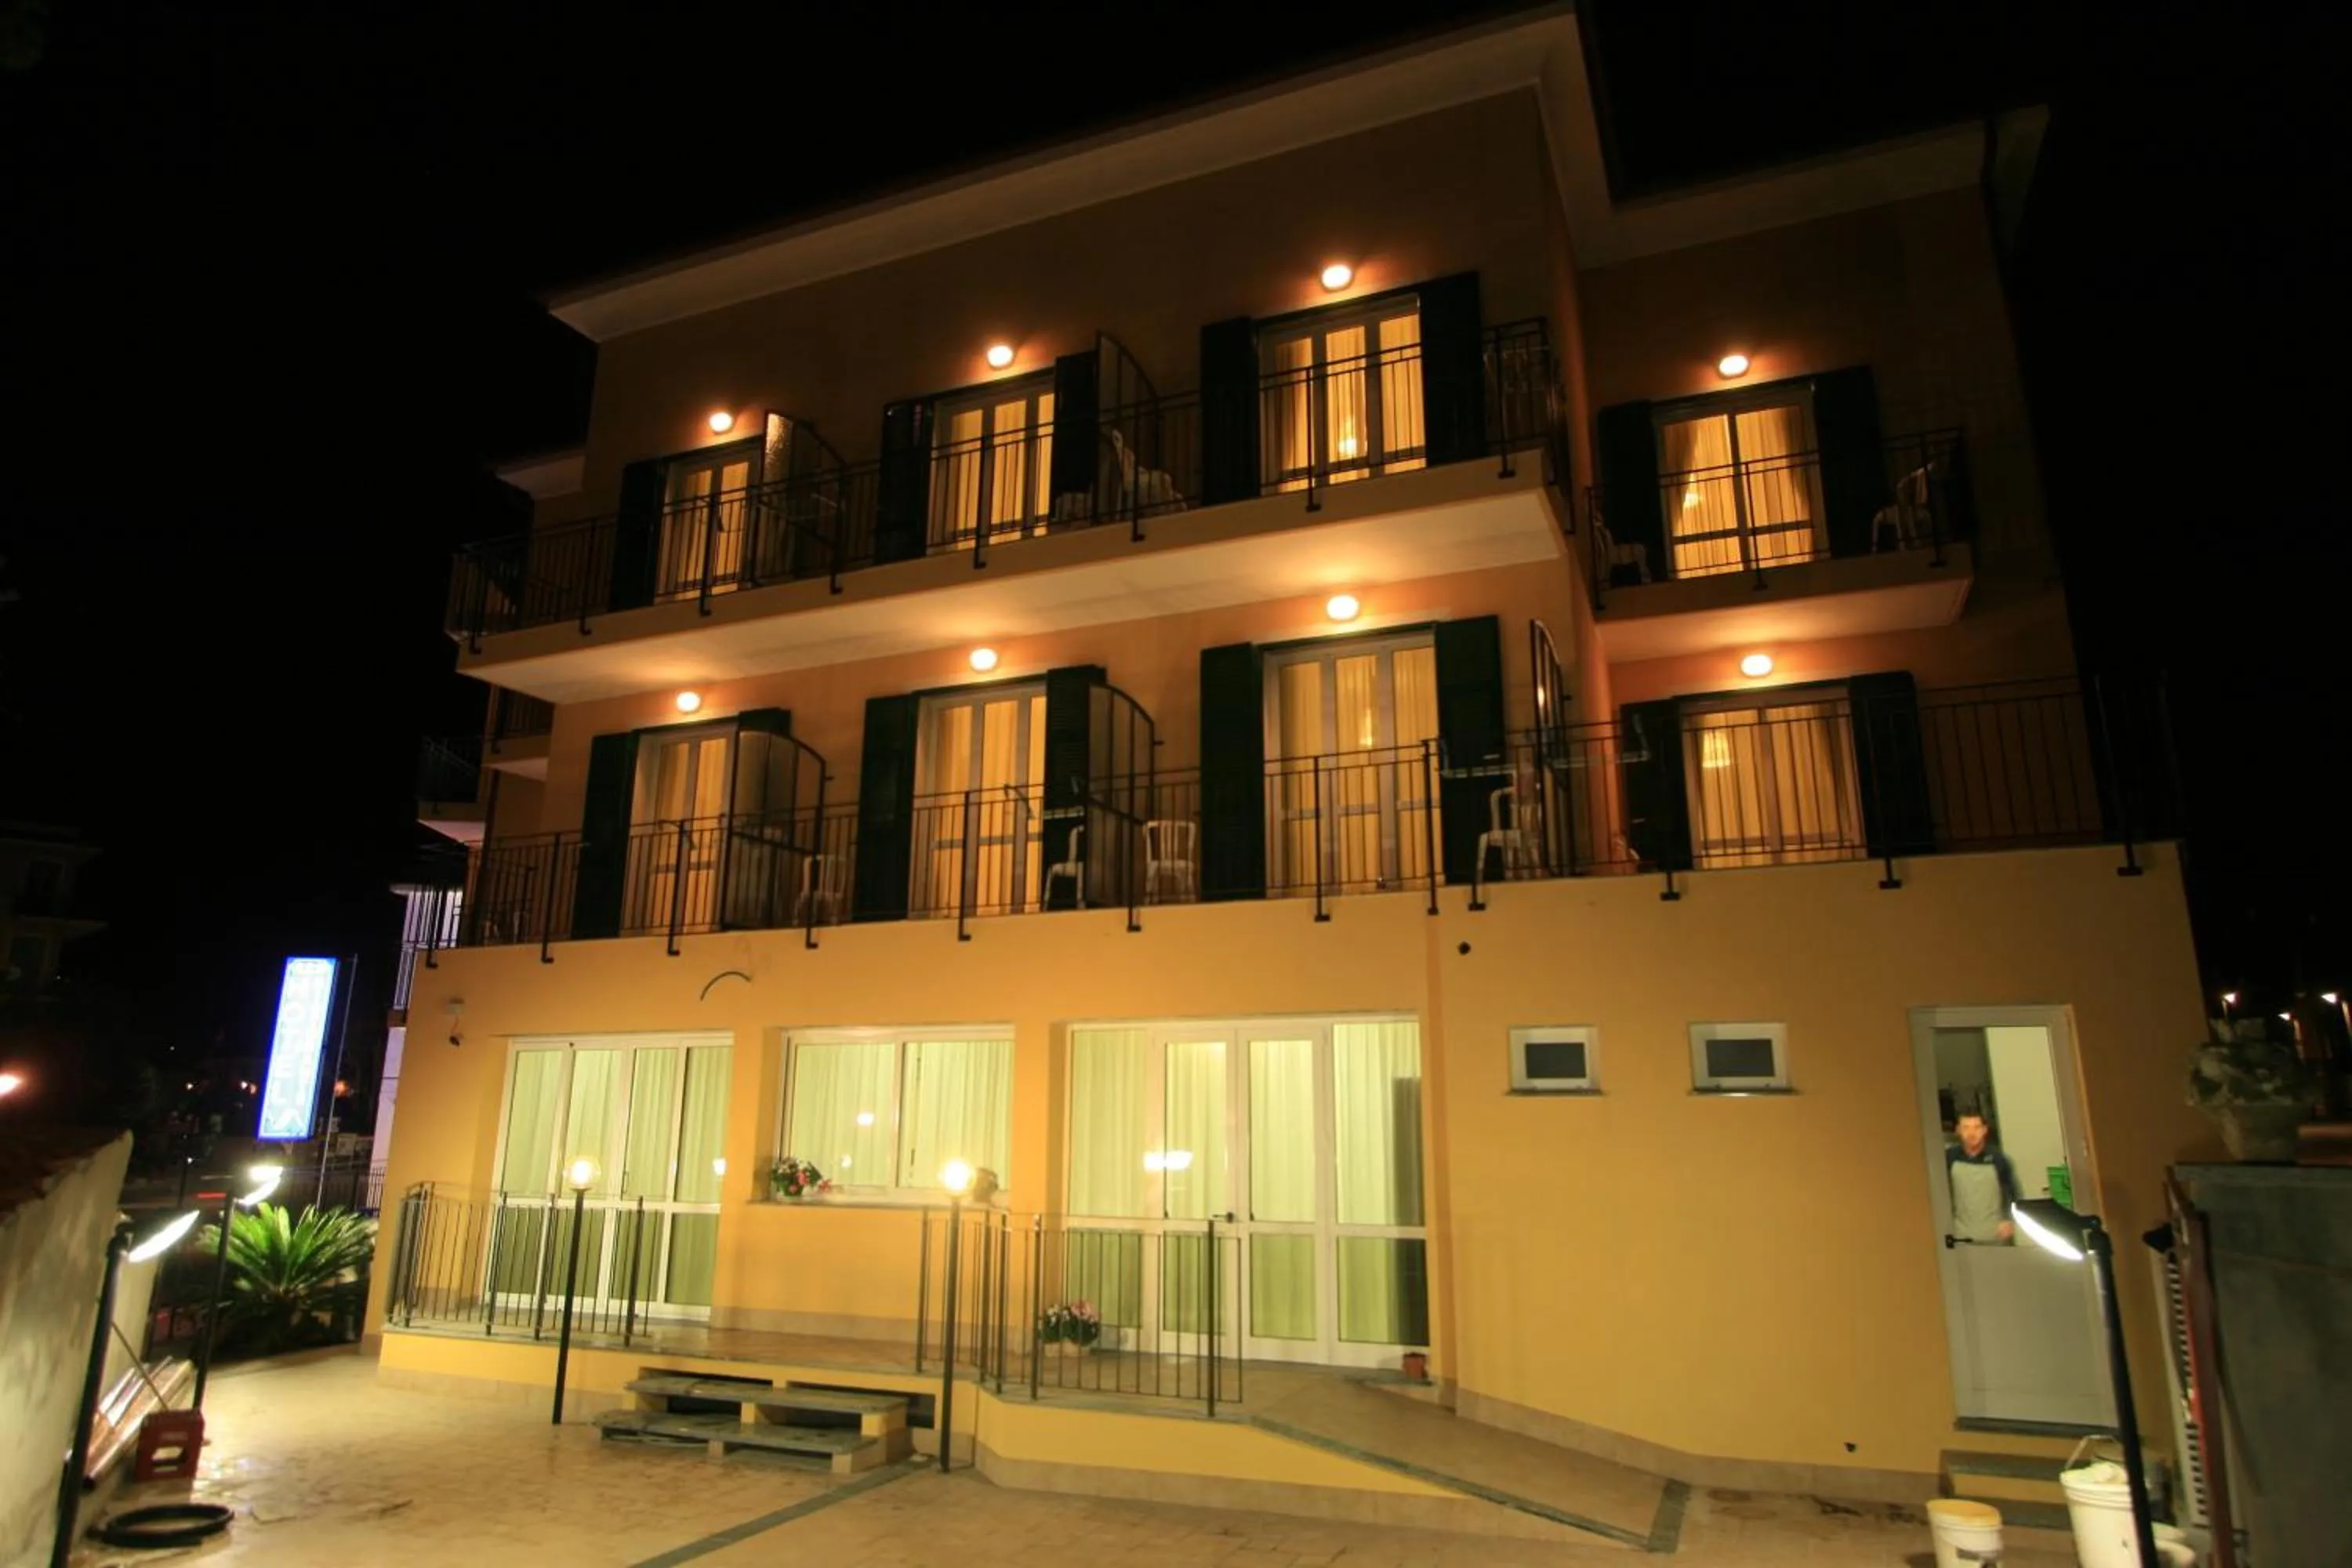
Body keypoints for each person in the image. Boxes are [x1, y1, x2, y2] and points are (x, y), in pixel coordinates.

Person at [1947, 1111, 2019, 1243]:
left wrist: (2009, 1219)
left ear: (1984, 1130)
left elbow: (2013, 1192)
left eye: (1976, 1127)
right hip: (1960, 1235)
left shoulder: (1999, 1159)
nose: (1971, 1133)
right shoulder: (1949, 1158)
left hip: (1995, 1235)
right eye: (1966, 1128)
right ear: (1958, 1131)